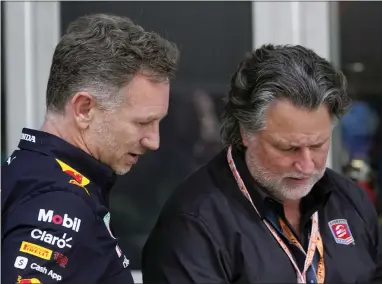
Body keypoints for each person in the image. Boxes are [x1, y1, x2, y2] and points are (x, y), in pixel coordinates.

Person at [142, 44, 382, 283]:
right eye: (289, 148)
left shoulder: (350, 201)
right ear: (246, 132)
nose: (307, 166)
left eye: (318, 145)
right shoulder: (194, 223)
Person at [1, 13, 179, 284]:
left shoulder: (29, 171)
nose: (154, 141)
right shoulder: (59, 202)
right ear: (84, 109)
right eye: (143, 122)